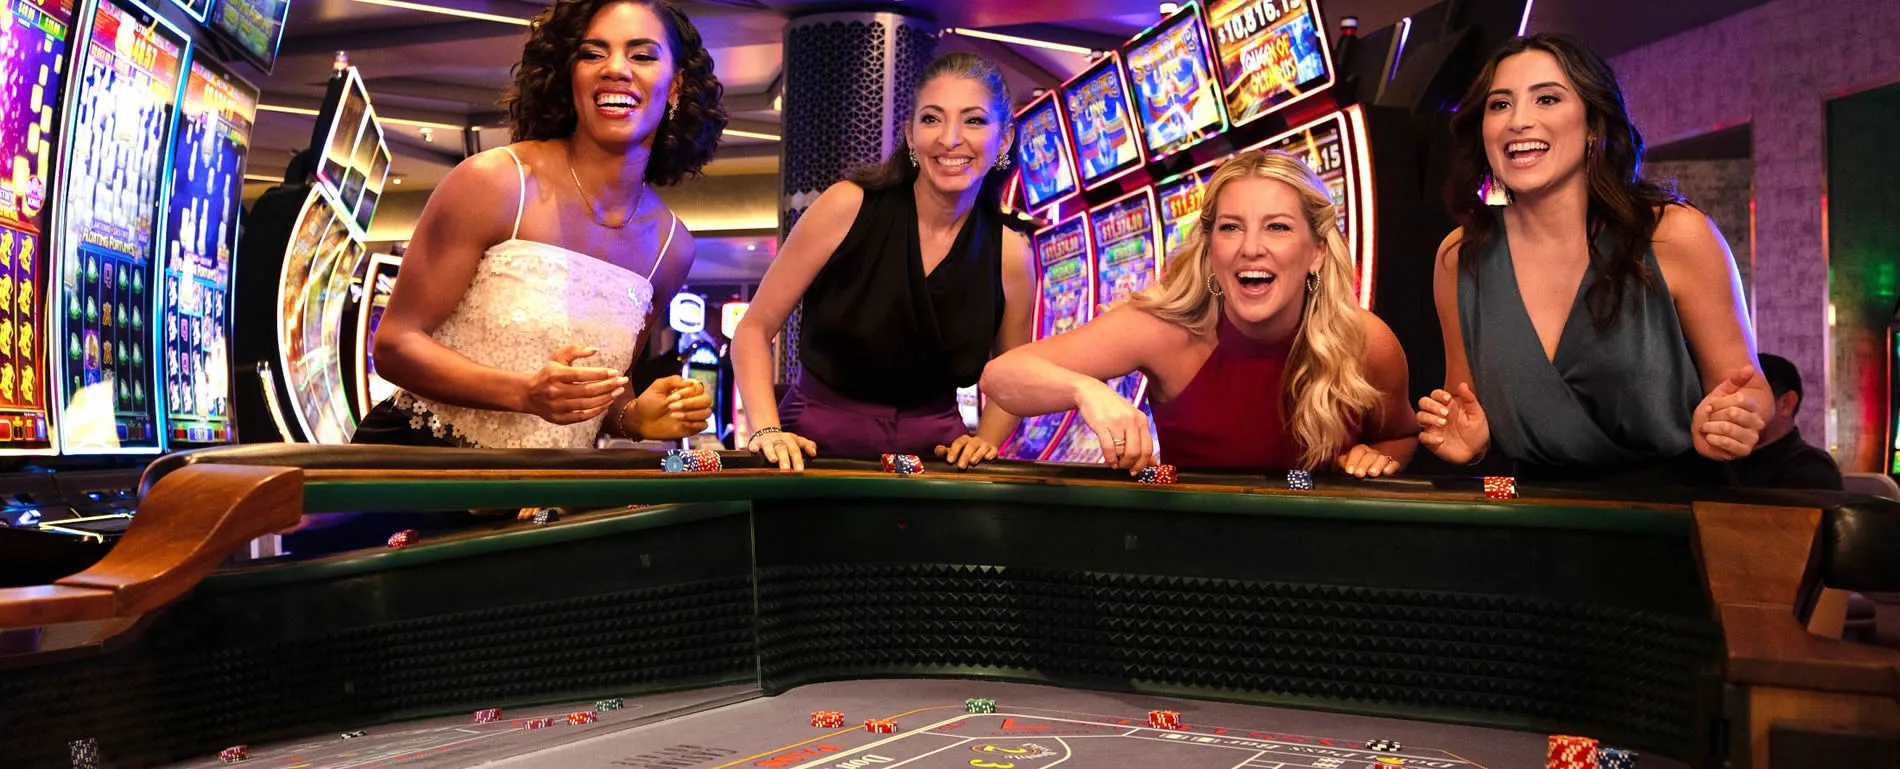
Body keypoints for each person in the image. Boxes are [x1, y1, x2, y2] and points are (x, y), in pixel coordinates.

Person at [355, 0, 726, 449]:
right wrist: (523, 393)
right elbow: (394, 344)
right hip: (424, 471)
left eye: (642, 56)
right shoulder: (494, 183)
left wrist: (634, 417)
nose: (615, 69)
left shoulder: (672, 247)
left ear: (675, 86)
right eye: (593, 53)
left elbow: (602, 393)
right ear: (570, 74)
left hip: (543, 498)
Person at [1414, 33, 1772, 485]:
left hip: (1673, 520)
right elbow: (1464, 407)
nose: (1518, 121)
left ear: (1593, 124)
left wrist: (1736, 420)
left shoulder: (1674, 233)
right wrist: (1470, 444)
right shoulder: (1460, 255)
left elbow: (1750, 389)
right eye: (1499, 104)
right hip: (1533, 524)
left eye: (1546, 99)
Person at [979, 150, 1417, 477]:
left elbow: (1399, 434)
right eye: (1230, 227)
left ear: (1317, 251)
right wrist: (1084, 391)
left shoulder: (1365, 341)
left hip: (1319, 570)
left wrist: (1380, 458)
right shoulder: (1166, 329)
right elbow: (1002, 376)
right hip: (1192, 569)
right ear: (1210, 246)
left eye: (1277, 227)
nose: (1250, 247)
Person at [731, 53, 1035, 471]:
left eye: (974, 120)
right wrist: (765, 430)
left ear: (1004, 140)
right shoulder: (847, 205)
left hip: (936, 462)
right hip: (813, 452)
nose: (950, 138)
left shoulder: (1011, 253)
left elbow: (1014, 376)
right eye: (931, 119)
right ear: (910, 136)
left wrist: (985, 440)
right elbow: (753, 328)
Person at [1731, 353, 1843, 490]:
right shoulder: (1720, 460)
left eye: (1746, 396)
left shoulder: (1812, 468)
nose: (1734, 406)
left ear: (1786, 403)